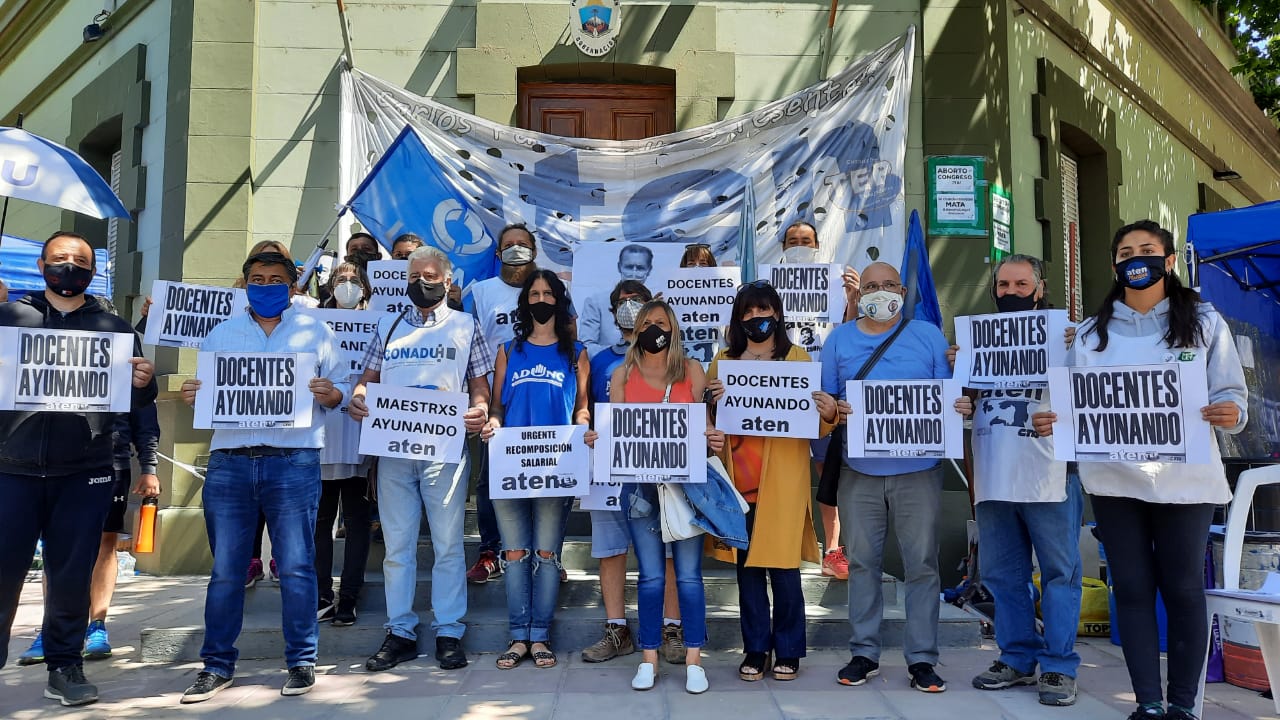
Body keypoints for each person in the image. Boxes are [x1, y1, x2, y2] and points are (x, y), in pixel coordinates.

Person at [1032, 220, 1247, 720]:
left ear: (1169, 261)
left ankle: (1184, 706)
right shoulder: (1089, 334)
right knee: (1130, 588)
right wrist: (1045, 417)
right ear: (1114, 266)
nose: (1137, 258)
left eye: (1147, 250)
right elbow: (1059, 399)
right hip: (1113, 480)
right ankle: (1148, 703)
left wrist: (1230, 412)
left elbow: (1231, 393)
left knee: (1184, 589)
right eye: (1126, 251)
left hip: (1186, 482)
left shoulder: (1205, 321)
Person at [178, 250, 347, 703]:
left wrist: (333, 394)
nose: (266, 285)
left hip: (293, 462)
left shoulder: (318, 331)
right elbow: (205, 391)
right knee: (227, 570)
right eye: (257, 278)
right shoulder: (220, 334)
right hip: (231, 462)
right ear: (245, 282)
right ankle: (216, 666)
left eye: (275, 279)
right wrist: (195, 393)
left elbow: (342, 391)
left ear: (293, 286)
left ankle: (301, 661)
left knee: (296, 565)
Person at [0, 232, 157, 708]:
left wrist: (145, 384)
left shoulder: (114, 327)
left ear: (92, 271)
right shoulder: (10, 320)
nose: (69, 266)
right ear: (43, 264)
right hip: (11, 471)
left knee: (71, 575)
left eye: (79, 261)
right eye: (59, 259)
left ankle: (65, 667)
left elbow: (135, 404)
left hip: (85, 472)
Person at [349, 246, 491, 673]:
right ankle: (401, 632)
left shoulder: (467, 326)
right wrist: (358, 398)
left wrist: (480, 409)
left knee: (448, 545)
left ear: (447, 282)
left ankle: (448, 631)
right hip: (393, 454)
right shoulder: (389, 326)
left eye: (429, 276)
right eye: (414, 276)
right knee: (398, 548)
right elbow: (367, 381)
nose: (421, 283)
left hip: (443, 454)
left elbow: (480, 385)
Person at [952, 254, 1083, 706]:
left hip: (1050, 471)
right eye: (1003, 284)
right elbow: (962, 403)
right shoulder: (976, 341)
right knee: (1004, 576)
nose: (1011, 291)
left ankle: (1060, 666)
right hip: (992, 473)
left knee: (1059, 574)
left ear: (1040, 287)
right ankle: (1016, 658)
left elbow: (1092, 397)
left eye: (1020, 284)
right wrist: (960, 387)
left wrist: (1080, 345)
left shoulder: (1069, 335)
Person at [819, 261, 952, 693]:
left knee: (923, 567)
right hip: (859, 472)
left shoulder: (928, 335)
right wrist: (834, 411)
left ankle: (922, 660)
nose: (880, 292)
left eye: (888, 285)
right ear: (860, 295)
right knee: (862, 565)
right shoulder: (838, 340)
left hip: (919, 472)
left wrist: (958, 408)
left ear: (901, 289)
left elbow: (946, 397)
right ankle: (864, 653)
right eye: (871, 286)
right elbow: (825, 402)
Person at [706, 280, 835, 683]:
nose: (756, 319)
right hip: (737, 483)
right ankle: (756, 649)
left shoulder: (797, 360)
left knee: (783, 571)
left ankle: (790, 651)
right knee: (747, 573)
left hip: (781, 483)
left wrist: (829, 411)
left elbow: (816, 425)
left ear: (777, 315)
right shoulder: (722, 361)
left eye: (763, 311)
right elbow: (707, 420)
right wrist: (711, 408)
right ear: (738, 319)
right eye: (747, 312)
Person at [611, 299, 725, 694]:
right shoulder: (622, 374)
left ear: (673, 329)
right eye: (647, 323)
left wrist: (713, 436)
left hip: (687, 488)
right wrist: (600, 438)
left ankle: (694, 659)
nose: (653, 329)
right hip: (641, 490)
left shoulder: (691, 370)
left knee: (690, 577)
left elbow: (706, 428)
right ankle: (649, 658)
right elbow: (616, 432)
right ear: (636, 329)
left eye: (661, 323)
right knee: (651, 576)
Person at [482, 270, 592, 669]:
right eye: (534, 293)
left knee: (546, 555)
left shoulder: (575, 352)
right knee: (514, 554)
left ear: (559, 300)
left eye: (548, 293)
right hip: (511, 462)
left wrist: (583, 427)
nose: (541, 298)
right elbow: (497, 404)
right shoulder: (509, 351)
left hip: (556, 464)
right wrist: (493, 421)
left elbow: (582, 405)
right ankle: (518, 636)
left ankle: (540, 635)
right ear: (524, 301)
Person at [581, 280, 686, 665]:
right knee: (610, 551)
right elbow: (586, 407)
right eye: (621, 302)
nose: (629, 308)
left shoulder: (676, 363)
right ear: (614, 313)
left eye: (636, 302)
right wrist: (589, 429)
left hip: (665, 473)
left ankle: (671, 628)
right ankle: (617, 629)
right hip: (610, 471)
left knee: (670, 552)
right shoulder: (599, 360)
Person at [779, 221, 859, 582]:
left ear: (818, 245)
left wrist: (854, 299)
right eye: (793, 241)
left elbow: (850, 333)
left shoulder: (836, 286)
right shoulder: (769, 288)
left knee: (829, 477)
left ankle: (832, 550)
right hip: (780, 394)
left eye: (806, 241)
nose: (799, 246)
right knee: (779, 472)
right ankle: (781, 546)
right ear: (781, 248)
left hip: (824, 395)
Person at [464, 224, 540, 584]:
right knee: (490, 479)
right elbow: (467, 342)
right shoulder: (481, 292)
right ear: (497, 254)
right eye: (508, 245)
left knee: (542, 472)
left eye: (522, 245)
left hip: (541, 397)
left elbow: (570, 340)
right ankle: (491, 551)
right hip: (496, 401)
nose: (515, 250)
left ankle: (545, 553)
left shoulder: (551, 290)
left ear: (534, 252)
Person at [314, 262, 374, 627]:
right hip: (319, 439)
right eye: (340, 280)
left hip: (359, 439)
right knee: (320, 522)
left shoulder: (380, 325)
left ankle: (349, 595)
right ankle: (322, 593)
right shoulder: (310, 324)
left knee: (356, 521)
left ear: (365, 289)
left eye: (354, 280)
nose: (348, 285)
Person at [580, 243, 654, 357]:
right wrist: (617, 353)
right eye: (629, 267)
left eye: (640, 268)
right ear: (620, 267)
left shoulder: (657, 303)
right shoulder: (596, 301)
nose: (633, 273)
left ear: (649, 270)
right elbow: (586, 345)